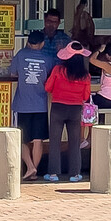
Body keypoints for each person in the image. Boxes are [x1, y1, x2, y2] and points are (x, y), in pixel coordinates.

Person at [9, 15, 66, 179]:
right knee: (38, 140)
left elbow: (13, 73)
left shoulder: (20, 55)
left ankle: (30, 167)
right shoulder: (48, 59)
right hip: (40, 104)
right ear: (42, 44)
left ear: (28, 42)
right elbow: (51, 77)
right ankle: (33, 170)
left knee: (21, 138)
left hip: (21, 104)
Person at [44, 47, 94, 182]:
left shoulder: (57, 70)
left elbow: (48, 87)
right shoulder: (86, 75)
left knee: (54, 141)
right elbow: (86, 95)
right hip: (76, 109)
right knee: (75, 141)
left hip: (58, 107)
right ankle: (75, 173)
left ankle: (53, 174)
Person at [89, 40, 111, 123]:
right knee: (100, 117)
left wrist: (99, 50)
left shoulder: (108, 65)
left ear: (107, 55)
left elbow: (91, 60)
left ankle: (88, 134)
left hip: (104, 99)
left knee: (87, 104)